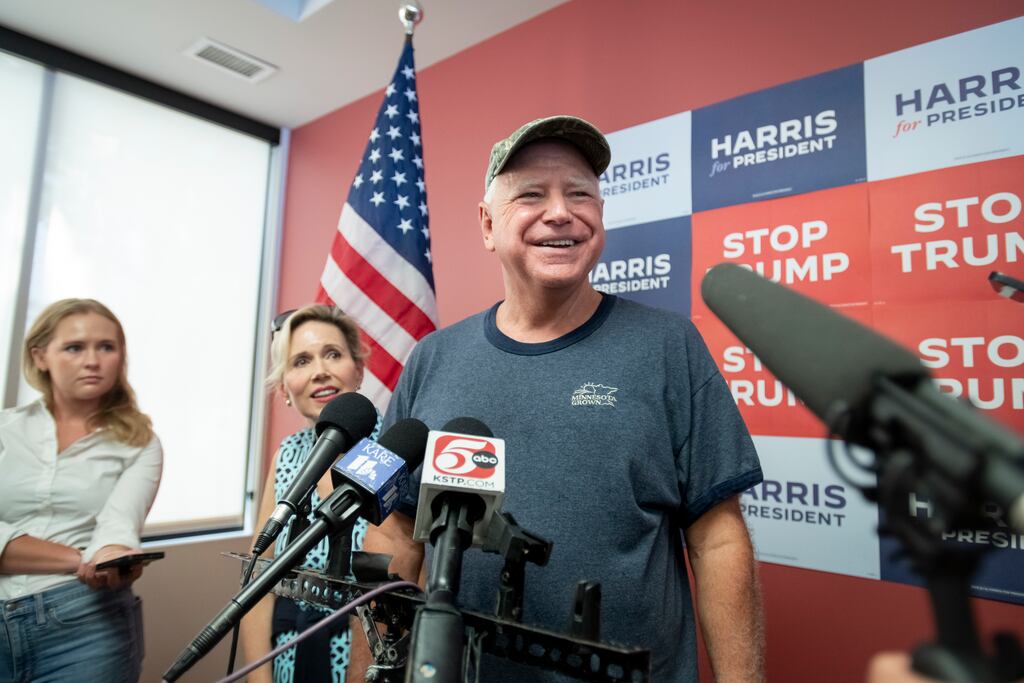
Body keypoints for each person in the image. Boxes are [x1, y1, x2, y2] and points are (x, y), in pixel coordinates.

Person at [352, 116, 765, 682]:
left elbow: (717, 540)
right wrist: (371, 671)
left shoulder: (669, 346)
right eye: (531, 195)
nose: (560, 213)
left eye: (580, 195)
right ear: (487, 224)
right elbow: (395, 531)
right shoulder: (433, 358)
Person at [0, 298, 163, 683]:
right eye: (75, 347)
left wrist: (111, 558)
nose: (92, 360)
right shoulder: (6, 431)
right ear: (41, 356)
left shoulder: (141, 443)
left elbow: (117, 527)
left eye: (106, 347)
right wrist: (79, 560)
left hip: (85, 622)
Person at [241, 304, 381, 683]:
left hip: (366, 661)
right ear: (285, 386)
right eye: (300, 361)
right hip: (290, 654)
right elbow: (258, 579)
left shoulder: (391, 453)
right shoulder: (287, 455)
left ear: (359, 369)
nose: (320, 371)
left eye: (333, 354)